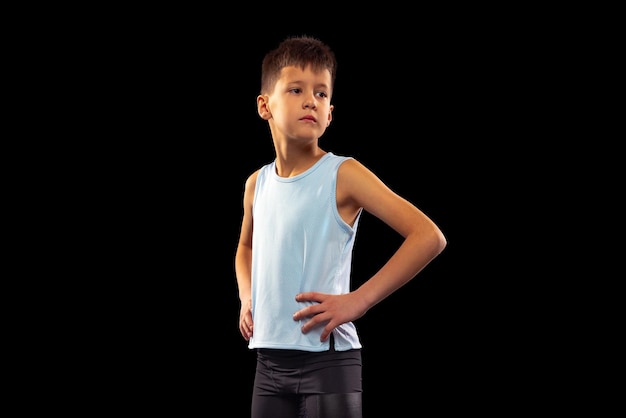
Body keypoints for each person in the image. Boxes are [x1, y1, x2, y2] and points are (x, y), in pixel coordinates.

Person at [235, 35, 447, 418]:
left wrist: (358, 301)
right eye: (296, 89)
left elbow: (428, 236)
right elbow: (246, 247)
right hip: (267, 363)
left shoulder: (343, 174)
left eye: (320, 93)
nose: (310, 101)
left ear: (329, 113)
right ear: (265, 105)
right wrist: (246, 295)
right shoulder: (257, 184)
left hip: (328, 363)